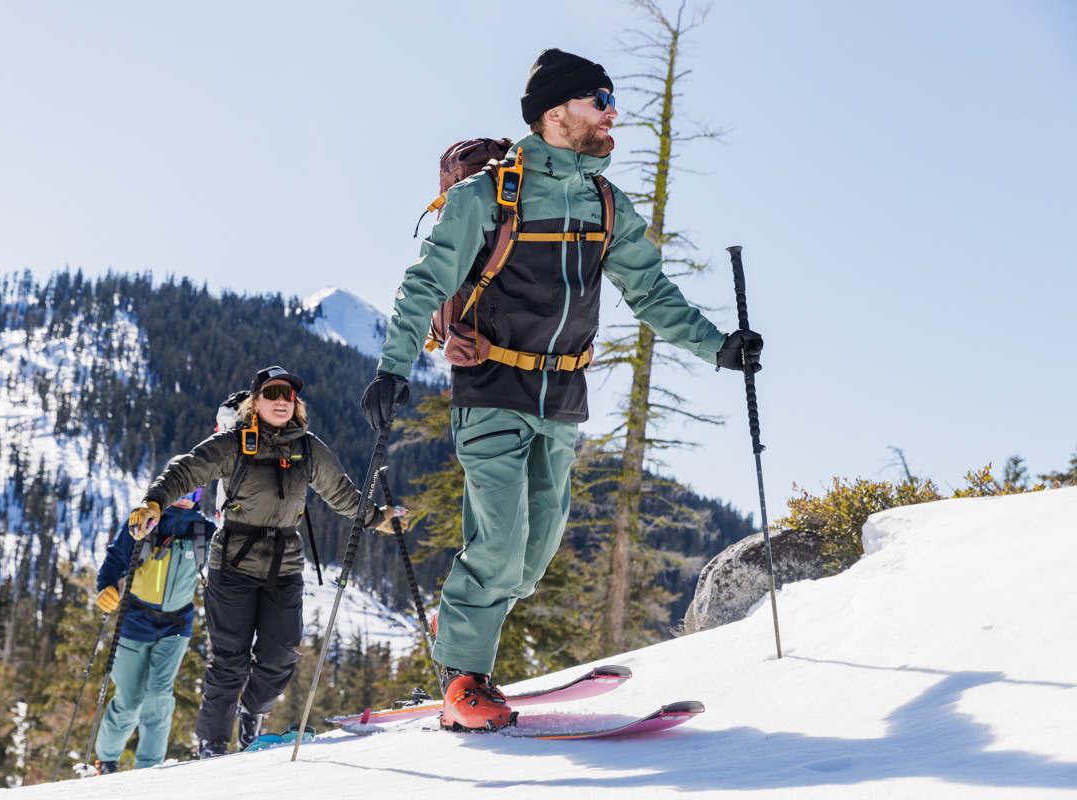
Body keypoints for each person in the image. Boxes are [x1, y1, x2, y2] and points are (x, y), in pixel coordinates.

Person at [360, 48, 764, 731]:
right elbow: (425, 281)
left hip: (563, 398)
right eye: (598, 99)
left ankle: (459, 619)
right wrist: (393, 368)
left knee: (533, 554)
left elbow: (652, 293)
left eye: (610, 98)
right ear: (555, 113)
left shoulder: (607, 204)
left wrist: (718, 347)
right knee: (500, 539)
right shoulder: (489, 194)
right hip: (490, 385)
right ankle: (464, 680)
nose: (613, 111)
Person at [126, 366, 404, 758]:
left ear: (296, 404)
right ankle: (213, 744)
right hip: (232, 564)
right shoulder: (234, 443)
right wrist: (153, 501)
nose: (280, 401)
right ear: (254, 401)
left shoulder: (309, 448)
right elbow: (186, 469)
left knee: (283, 653)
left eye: (287, 395)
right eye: (271, 393)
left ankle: (252, 712)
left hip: (284, 564)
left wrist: (378, 519)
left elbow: (341, 493)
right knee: (229, 661)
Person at [92, 488, 209, 773]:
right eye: (179, 487)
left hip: (177, 625)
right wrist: (106, 586)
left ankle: (149, 770)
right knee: (129, 700)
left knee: (159, 697)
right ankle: (106, 762)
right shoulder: (142, 523)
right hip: (135, 620)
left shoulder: (205, 531)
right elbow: (115, 560)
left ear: (200, 495)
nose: (185, 495)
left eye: (192, 489)